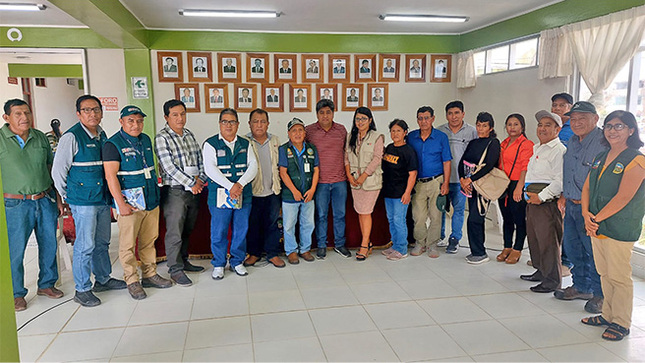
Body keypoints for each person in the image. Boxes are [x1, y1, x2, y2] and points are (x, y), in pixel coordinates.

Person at [52, 95, 126, 307]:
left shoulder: (102, 134)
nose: (92, 114)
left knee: (102, 242)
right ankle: (82, 288)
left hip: (102, 198)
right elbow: (58, 172)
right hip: (83, 201)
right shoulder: (71, 137)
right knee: (85, 245)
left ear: (101, 112)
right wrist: (68, 196)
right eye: (86, 110)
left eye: (96, 110)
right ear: (78, 114)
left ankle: (103, 279)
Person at [581, 110, 645, 342]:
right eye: (609, 126)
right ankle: (607, 315)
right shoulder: (601, 156)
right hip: (596, 225)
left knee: (619, 276)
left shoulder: (637, 159)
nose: (612, 130)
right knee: (604, 273)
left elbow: (623, 197)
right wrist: (586, 214)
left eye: (619, 126)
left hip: (619, 227)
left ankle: (621, 322)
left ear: (631, 130)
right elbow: (587, 187)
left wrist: (594, 219)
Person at [103, 105, 172, 300]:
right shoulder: (113, 144)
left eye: (139, 121)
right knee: (127, 244)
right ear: (121, 122)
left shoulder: (146, 140)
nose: (136, 125)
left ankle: (149, 274)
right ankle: (132, 279)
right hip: (129, 205)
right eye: (131, 121)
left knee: (149, 240)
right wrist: (121, 204)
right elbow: (110, 176)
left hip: (150, 199)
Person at [2, 99, 64, 311]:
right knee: (15, 250)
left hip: (44, 199)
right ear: (6, 118)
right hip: (15, 204)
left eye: (27, 112)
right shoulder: (1, 140)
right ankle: (16, 293)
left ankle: (47, 284)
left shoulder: (40, 137)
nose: (24, 118)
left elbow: (50, 167)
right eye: (18, 114)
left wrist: (57, 197)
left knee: (49, 243)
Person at [556, 101, 608, 313]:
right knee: (574, 249)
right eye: (573, 119)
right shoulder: (572, 142)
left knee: (594, 253)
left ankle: (599, 295)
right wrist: (563, 196)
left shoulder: (604, 142)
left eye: (582, 118)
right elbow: (568, 172)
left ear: (595, 119)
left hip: (592, 209)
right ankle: (581, 286)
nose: (576, 123)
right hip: (571, 206)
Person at [154, 99, 207, 287]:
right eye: (175, 115)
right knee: (175, 231)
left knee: (187, 228)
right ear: (166, 117)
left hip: (195, 189)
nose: (180, 118)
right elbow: (168, 167)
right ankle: (175, 270)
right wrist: (191, 183)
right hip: (175, 190)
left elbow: (200, 159)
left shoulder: (189, 134)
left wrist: (200, 180)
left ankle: (184, 260)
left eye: (183, 114)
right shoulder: (162, 138)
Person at [203, 108, 258, 280]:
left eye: (232, 122)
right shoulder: (210, 144)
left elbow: (253, 166)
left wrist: (239, 184)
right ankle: (219, 264)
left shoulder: (245, 143)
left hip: (243, 194)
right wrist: (230, 186)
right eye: (225, 121)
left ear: (237, 124)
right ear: (220, 124)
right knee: (219, 231)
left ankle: (237, 262)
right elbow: (210, 169)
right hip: (219, 196)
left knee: (241, 230)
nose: (228, 125)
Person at [520, 110, 566, 293]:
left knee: (548, 241)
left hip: (546, 203)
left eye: (548, 125)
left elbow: (559, 181)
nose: (542, 128)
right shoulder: (537, 148)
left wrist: (541, 196)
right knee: (535, 238)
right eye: (540, 125)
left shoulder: (559, 151)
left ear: (558, 129)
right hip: (532, 200)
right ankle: (541, 271)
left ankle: (552, 280)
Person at [305, 99, 351, 259]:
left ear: (333, 113)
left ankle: (339, 244)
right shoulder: (309, 131)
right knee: (321, 215)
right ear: (317, 114)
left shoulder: (341, 130)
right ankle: (322, 245)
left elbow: (348, 152)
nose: (325, 115)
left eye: (328, 112)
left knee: (340, 214)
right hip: (319, 182)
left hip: (339, 181)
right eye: (321, 112)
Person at [408, 106, 451, 258]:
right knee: (418, 215)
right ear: (417, 120)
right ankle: (420, 242)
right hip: (418, 183)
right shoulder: (411, 137)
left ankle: (432, 244)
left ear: (433, 118)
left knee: (436, 215)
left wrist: (445, 183)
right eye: (420, 118)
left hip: (436, 181)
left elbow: (446, 162)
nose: (423, 121)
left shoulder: (441, 137)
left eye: (427, 118)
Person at [244, 109, 285, 268]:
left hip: (272, 191)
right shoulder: (244, 141)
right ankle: (253, 253)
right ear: (250, 124)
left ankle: (272, 254)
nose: (259, 125)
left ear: (268, 123)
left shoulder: (275, 140)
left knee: (272, 223)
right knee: (253, 224)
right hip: (253, 192)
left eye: (262, 121)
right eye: (255, 121)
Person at [458, 112, 501, 264]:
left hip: (483, 187)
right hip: (470, 186)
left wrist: (470, 179)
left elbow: (489, 165)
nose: (480, 128)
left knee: (475, 219)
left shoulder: (493, 143)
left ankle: (480, 252)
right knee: (472, 218)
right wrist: (463, 180)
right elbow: (462, 161)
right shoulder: (473, 143)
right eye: (478, 125)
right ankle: (475, 250)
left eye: (484, 126)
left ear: (491, 128)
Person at [437, 101, 478, 253]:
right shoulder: (440, 131)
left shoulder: (472, 132)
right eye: (450, 113)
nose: (453, 117)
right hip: (443, 179)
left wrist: (469, 178)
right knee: (439, 209)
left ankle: (455, 239)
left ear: (463, 114)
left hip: (462, 181)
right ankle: (439, 236)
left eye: (456, 113)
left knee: (459, 210)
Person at [345, 107, 384, 261]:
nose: (360, 122)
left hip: (370, 181)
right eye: (357, 119)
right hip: (354, 180)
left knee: (366, 211)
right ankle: (367, 242)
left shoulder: (376, 137)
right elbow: (346, 158)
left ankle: (364, 244)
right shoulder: (350, 137)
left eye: (363, 119)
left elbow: (377, 159)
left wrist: (363, 176)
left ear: (370, 120)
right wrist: (349, 175)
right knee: (361, 212)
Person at [279, 118, 319, 264]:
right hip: (290, 195)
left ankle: (305, 249)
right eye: (294, 130)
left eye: (300, 130)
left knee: (308, 223)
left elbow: (316, 170)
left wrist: (313, 189)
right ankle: (291, 251)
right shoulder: (284, 149)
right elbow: (283, 172)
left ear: (305, 132)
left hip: (308, 194)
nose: (297, 133)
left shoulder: (311, 149)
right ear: (289, 133)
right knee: (289, 224)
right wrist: (294, 191)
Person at [496, 113, 533, 264]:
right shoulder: (503, 144)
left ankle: (517, 249)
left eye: (516, 124)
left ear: (522, 127)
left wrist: (520, 187)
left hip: (518, 183)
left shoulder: (526, 144)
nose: (512, 127)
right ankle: (507, 247)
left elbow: (525, 167)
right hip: (503, 184)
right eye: (509, 124)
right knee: (506, 218)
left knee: (519, 219)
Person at [381, 119, 417, 261]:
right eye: (393, 131)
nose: (395, 134)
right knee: (391, 219)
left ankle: (402, 249)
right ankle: (395, 245)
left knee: (399, 220)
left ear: (405, 133)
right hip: (388, 191)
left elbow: (412, 174)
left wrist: (407, 192)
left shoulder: (408, 151)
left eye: (398, 131)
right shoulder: (389, 148)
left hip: (401, 192)